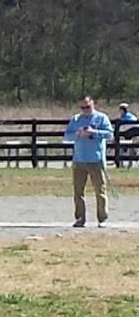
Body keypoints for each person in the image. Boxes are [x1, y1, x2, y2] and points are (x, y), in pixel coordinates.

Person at [63, 96, 114, 228]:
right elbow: (66, 137)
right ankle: (80, 218)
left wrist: (94, 133)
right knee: (78, 191)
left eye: (87, 107)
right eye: (82, 107)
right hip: (79, 160)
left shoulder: (101, 118)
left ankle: (102, 218)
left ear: (93, 104)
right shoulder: (75, 119)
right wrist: (77, 134)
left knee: (100, 189)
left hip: (96, 159)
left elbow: (109, 134)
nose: (85, 110)